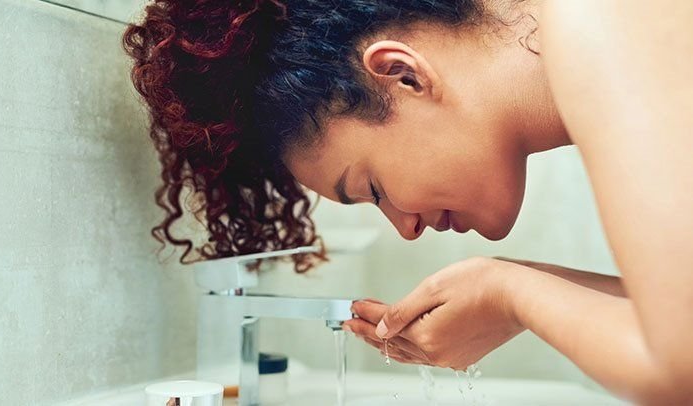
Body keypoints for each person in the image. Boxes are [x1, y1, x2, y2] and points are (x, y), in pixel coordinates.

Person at [123, 0, 693, 403]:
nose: (407, 228)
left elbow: (678, 372)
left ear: (401, 75)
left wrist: (512, 293)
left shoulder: (604, 16)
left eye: (371, 190)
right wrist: (516, 285)